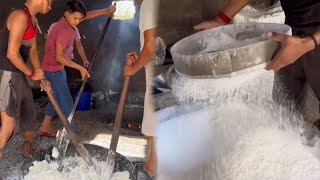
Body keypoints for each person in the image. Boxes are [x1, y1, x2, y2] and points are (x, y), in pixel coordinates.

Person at [194, 0, 320, 129]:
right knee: (283, 113)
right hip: (290, 37)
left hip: (315, 39)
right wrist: (221, 19)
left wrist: (307, 43)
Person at [37, 0, 116, 137]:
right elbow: (59, 57)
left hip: (56, 69)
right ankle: (71, 135)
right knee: (67, 101)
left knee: (55, 98)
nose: (78, 22)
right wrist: (80, 67)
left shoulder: (69, 22)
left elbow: (88, 15)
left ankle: (44, 127)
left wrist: (105, 11)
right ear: (66, 14)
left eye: (80, 19)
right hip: (53, 70)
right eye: (75, 18)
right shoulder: (62, 29)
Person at [0, 0, 53, 158]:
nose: (50, 7)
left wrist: (41, 75)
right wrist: (32, 74)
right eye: (49, 2)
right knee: (8, 127)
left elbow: (33, 51)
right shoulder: (19, 16)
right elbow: (12, 53)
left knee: (29, 110)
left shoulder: (33, 20)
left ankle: (29, 145)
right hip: (7, 74)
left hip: (19, 74)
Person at [124, 0, 158, 178]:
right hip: (169, 68)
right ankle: (152, 165)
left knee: (156, 124)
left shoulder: (149, 4)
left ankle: (152, 168)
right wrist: (139, 60)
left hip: (159, 74)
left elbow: (150, 45)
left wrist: (131, 69)